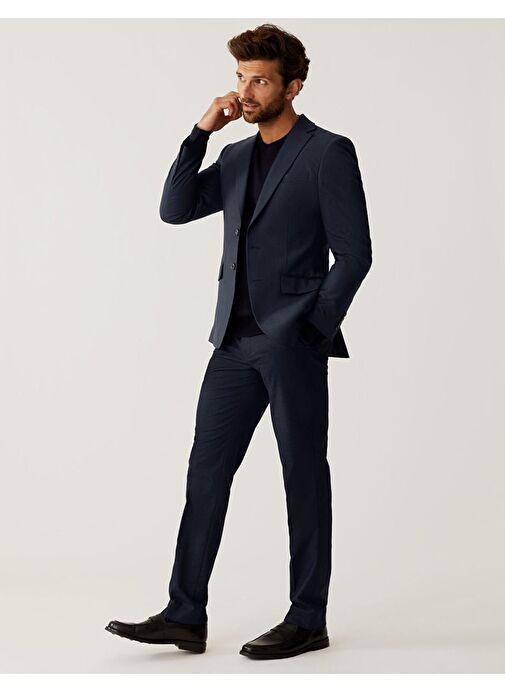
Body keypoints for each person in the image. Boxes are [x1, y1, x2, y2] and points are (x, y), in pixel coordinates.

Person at [106, 23, 372, 660]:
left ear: (292, 87)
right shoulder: (234, 157)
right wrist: (201, 132)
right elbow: (174, 209)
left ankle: (307, 618)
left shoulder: (328, 153)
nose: (246, 92)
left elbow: (356, 253)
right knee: (206, 475)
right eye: (240, 79)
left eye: (260, 81)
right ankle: (184, 614)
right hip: (231, 344)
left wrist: (310, 329)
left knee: (302, 475)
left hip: (291, 342)